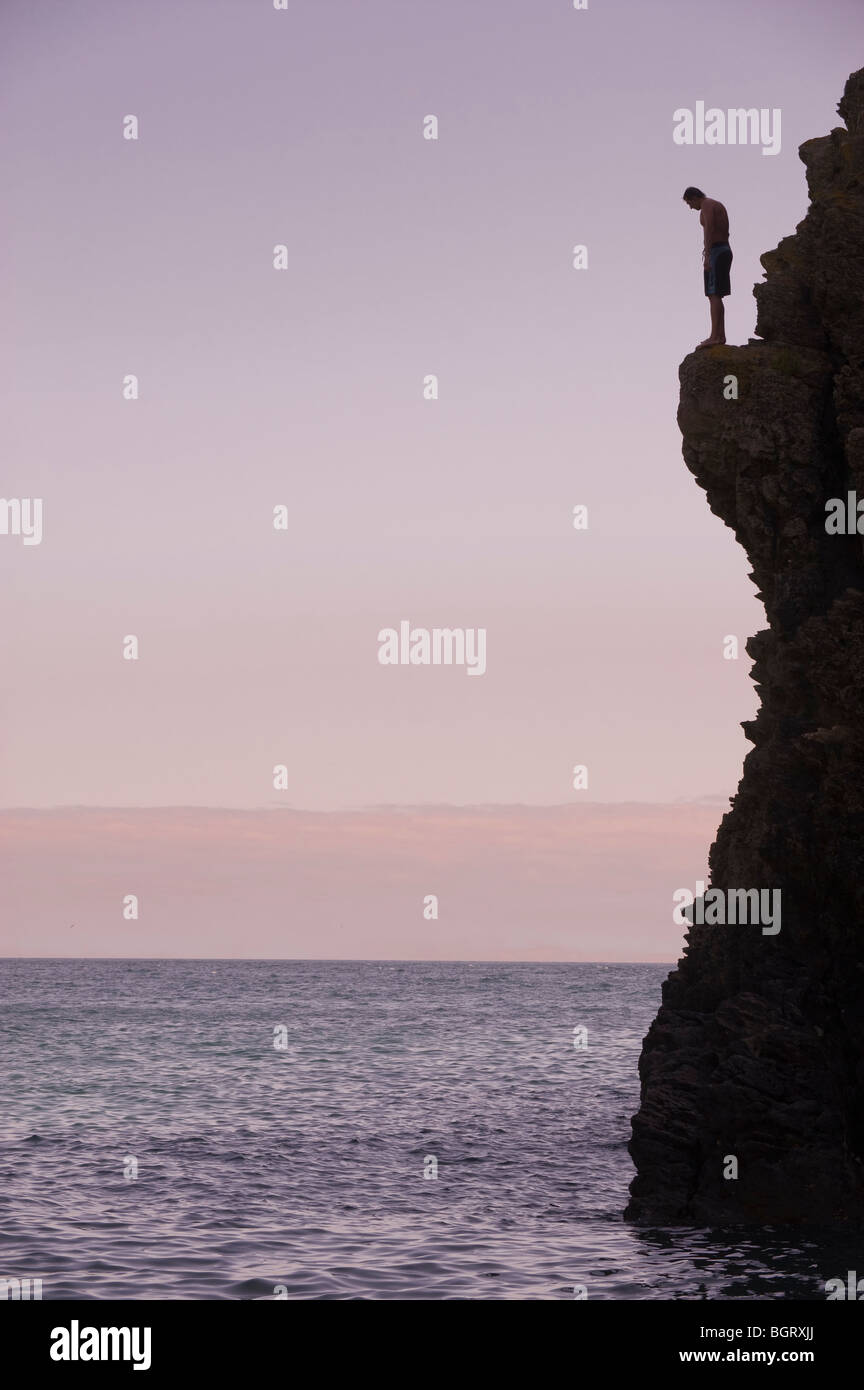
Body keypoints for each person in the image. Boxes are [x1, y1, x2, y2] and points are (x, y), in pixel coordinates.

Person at [682, 187, 732, 348]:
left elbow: (709, 227)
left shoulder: (707, 205)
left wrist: (708, 255)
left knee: (713, 294)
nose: (690, 207)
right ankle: (720, 335)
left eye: (689, 202)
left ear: (694, 197)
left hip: (717, 251)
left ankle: (714, 336)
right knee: (715, 295)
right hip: (723, 249)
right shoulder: (715, 204)